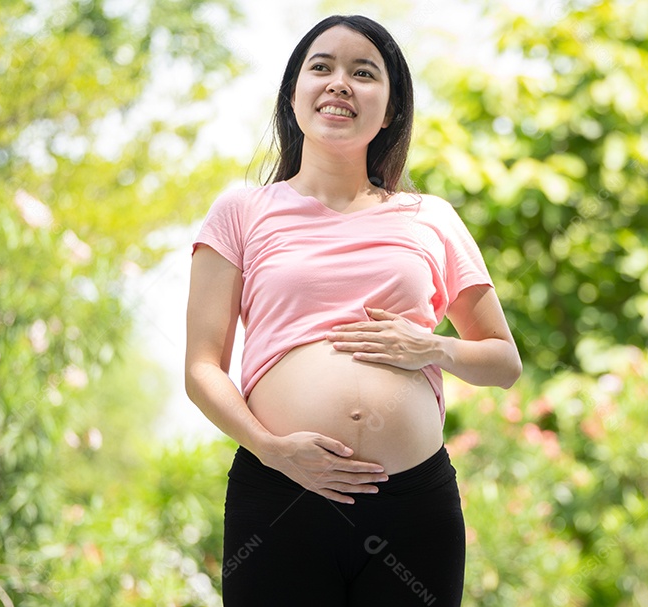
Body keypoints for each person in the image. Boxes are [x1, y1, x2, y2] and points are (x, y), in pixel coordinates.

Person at [184, 14, 521, 606]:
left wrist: (432, 347)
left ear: (390, 110)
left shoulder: (431, 217)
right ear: (294, 96)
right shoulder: (241, 211)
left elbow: (503, 362)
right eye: (322, 67)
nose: (340, 83)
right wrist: (272, 449)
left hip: (413, 505)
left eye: (364, 73)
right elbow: (202, 368)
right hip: (281, 490)